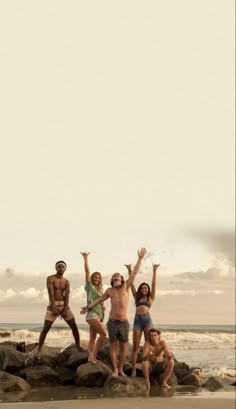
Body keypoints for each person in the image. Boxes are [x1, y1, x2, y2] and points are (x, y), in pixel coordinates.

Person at [81, 247, 147, 377]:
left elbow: (134, 273)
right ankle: (115, 369)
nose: (116, 276)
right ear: (112, 280)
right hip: (112, 322)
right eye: (114, 276)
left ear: (122, 279)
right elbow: (100, 299)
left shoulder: (126, 286)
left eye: (118, 276)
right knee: (112, 347)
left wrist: (139, 259)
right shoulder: (109, 291)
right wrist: (88, 307)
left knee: (122, 347)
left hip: (123, 322)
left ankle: (121, 369)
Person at [36, 260, 84, 359]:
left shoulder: (66, 281)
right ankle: (39, 350)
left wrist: (65, 308)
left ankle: (78, 346)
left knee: (74, 326)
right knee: (46, 327)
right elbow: (51, 293)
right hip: (52, 304)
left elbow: (67, 296)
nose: (61, 268)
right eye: (59, 266)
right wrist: (53, 307)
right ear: (56, 268)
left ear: (65, 269)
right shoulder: (50, 278)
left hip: (63, 304)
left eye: (63, 267)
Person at [124, 263, 160, 377]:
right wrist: (130, 270)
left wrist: (154, 271)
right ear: (140, 289)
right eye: (143, 287)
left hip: (147, 320)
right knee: (135, 347)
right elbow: (131, 284)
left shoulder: (151, 297)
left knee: (148, 344)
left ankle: (148, 367)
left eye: (146, 288)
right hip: (138, 321)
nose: (144, 289)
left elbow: (154, 285)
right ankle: (134, 370)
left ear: (148, 290)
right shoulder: (137, 297)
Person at [80, 251, 106, 364]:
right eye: (95, 276)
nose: (97, 278)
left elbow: (100, 301)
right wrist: (85, 259)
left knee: (93, 338)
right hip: (92, 314)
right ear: (92, 278)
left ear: (100, 279)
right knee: (104, 334)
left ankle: (89, 357)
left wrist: (103, 307)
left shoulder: (101, 290)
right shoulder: (90, 286)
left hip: (99, 314)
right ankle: (93, 356)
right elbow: (87, 272)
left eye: (98, 277)